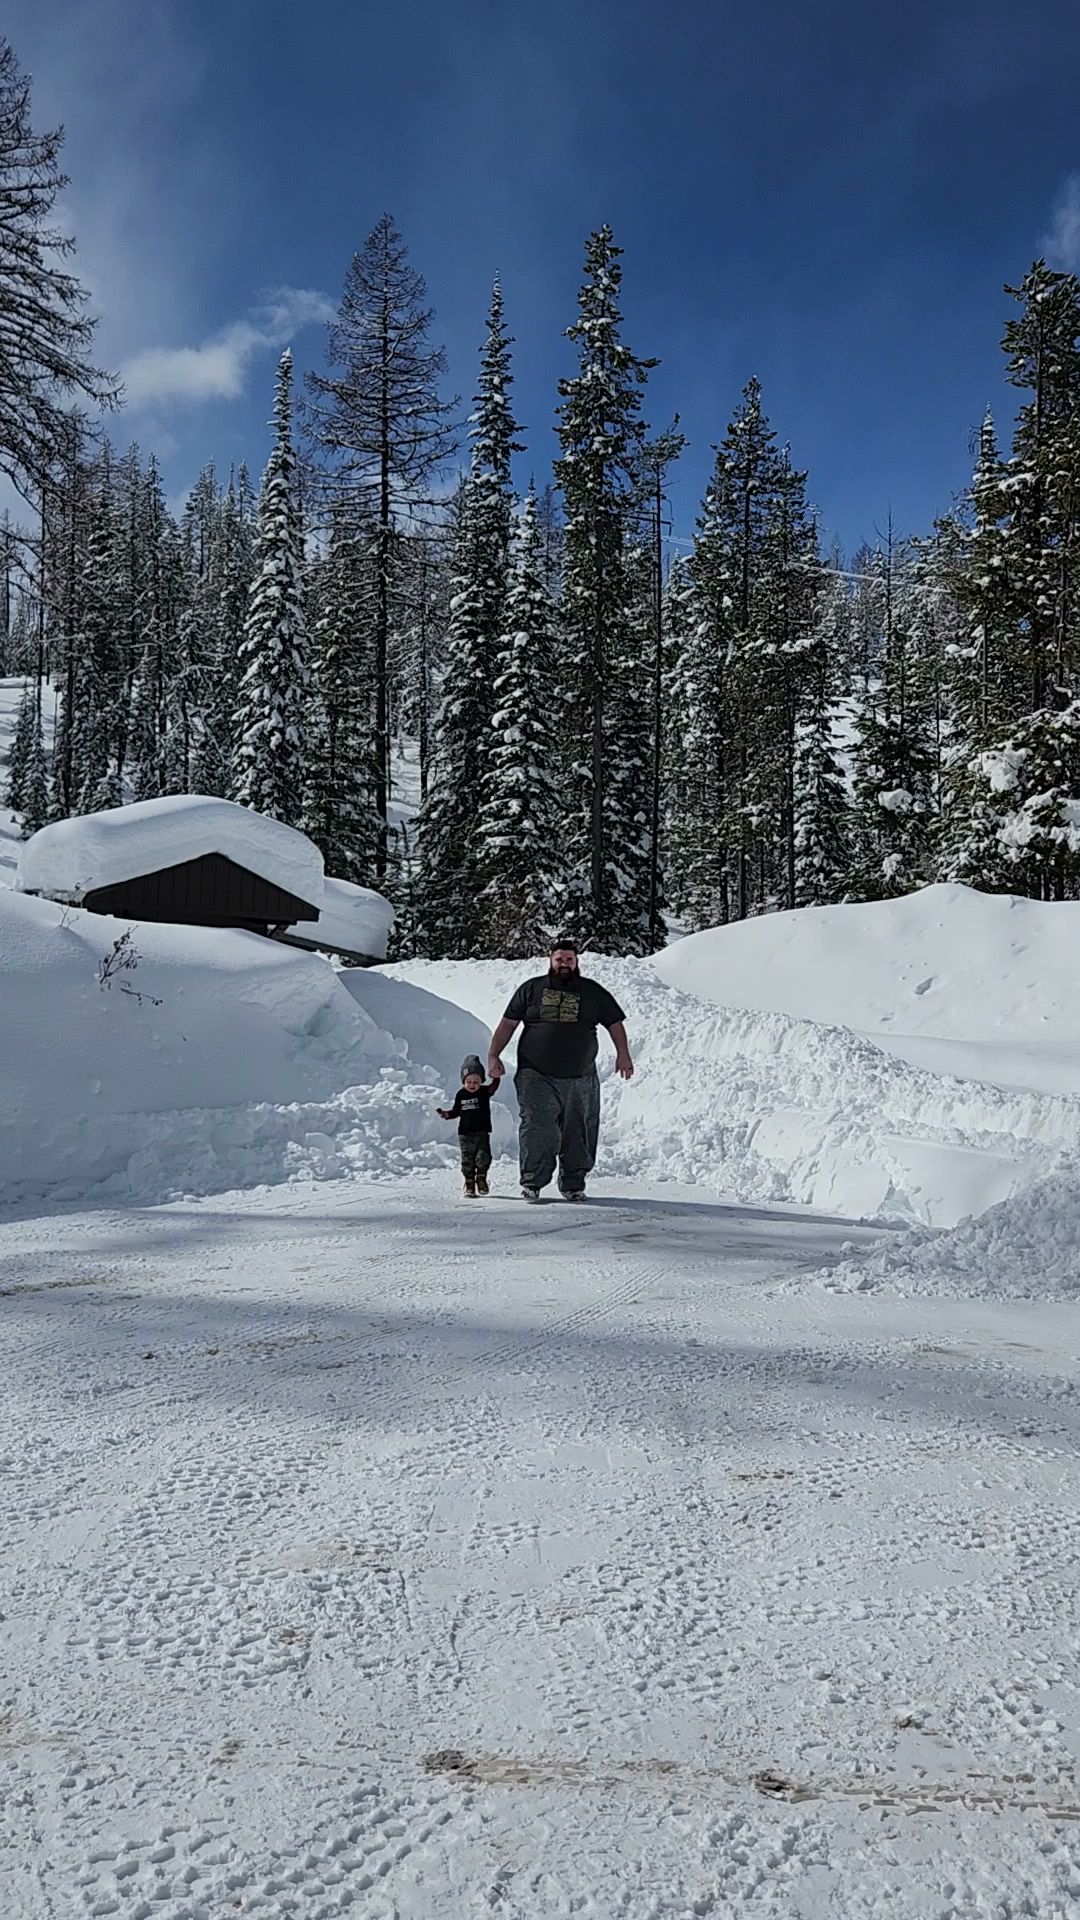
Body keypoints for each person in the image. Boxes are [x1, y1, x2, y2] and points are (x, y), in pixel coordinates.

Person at [486, 938, 633, 1203]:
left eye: (569, 959)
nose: (564, 964)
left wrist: (623, 1053)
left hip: (581, 1077)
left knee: (578, 1131)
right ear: (550, 960)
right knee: (538, 1127)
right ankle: (532, 1182)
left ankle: (573, 1184)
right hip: (535, 1074)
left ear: (576, 962)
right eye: (559, 959)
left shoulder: (592, 992)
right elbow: (508, 1023)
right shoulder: (531, 989)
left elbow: (615, 1023)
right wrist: (493, 1055)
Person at [437, 1054, 500, 1197]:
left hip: (482, 1133)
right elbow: (456, 1111)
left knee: (483, 1157)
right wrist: (447, 1114)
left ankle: (481, 1179)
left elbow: (494, 1087)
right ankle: (470, 1183)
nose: (472, 1085)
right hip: (465, 1134)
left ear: (481, 1081)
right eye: (469, 1081)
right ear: (464, 1081)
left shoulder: (484, 1092)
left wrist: (496, 1075)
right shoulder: (461, 1095)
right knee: (467, 1160)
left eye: (476, 1082)